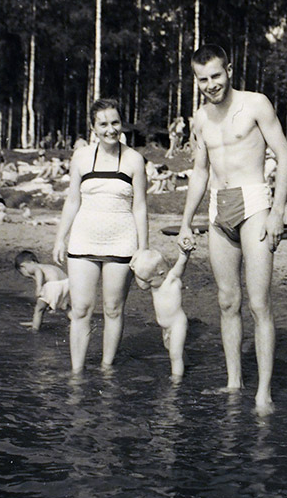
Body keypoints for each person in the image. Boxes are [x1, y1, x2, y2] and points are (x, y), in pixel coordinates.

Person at [177, 45, 287, 415]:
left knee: (259, 304)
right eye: (203, 79)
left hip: (255, 202)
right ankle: (233, 382)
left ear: (229, 69)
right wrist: (185, 222)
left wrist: (278, 212)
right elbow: (200, 172)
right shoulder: (200, 119)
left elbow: (285, 156)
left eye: (216, 75)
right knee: (228, 302)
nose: (211, 84)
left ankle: (263, 394)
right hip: (217, 206)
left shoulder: (256, 103)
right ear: (196, 80)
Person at [53, 99, 149, 374]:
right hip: (83, 241)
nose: (110, 129)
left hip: (121, 243)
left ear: (122, 123)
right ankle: (76, 373)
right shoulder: (81, 157)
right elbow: (72, 200)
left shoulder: (133, 159)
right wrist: (60, 238)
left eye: (115, 123)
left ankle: (107, 370)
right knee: (81, 308)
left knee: (113, 309)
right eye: (103, 124)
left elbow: (140, 206)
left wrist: (143, 249)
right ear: (93, 127)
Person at [130, 247, 191, 380]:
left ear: (161, 273)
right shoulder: (155, 282)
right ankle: (186, 364)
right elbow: (142, 284)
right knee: (172, 349)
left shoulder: (171, 279)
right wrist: (134, 268)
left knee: (175, 355)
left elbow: (180, 265)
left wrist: (184, 253)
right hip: (166, 326)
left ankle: (177, 379)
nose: (147, 284)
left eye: (149, 281)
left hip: (177, 324)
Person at [15, 250, 70, 331]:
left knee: (39, 308)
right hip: (66, 282)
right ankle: (75, 322)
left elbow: (37, 271)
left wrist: (39, 287)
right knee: (64, 306)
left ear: (22, 266)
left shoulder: (31, 266)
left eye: (22, 272)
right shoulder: (47, 266)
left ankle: (35, 328)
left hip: (53, 284)